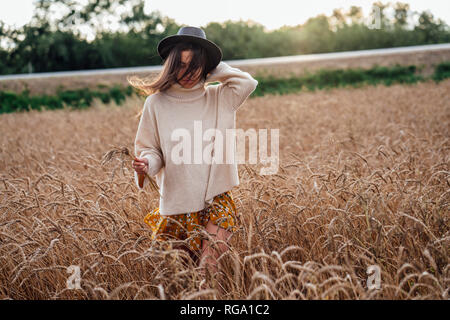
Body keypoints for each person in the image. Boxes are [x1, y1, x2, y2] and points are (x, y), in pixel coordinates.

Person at [129, 26, 258, 281]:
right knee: (186, 279)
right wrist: (146, 164)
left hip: (216, 198)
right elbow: (150, 149)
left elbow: (247, 82)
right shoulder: (156, 103)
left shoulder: (220, 96)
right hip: (177, 204)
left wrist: (211, 63)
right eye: (180, 64)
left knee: (208, 270)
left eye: (195, 65)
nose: (187, 72)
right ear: (170, 65)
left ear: (206, 66)